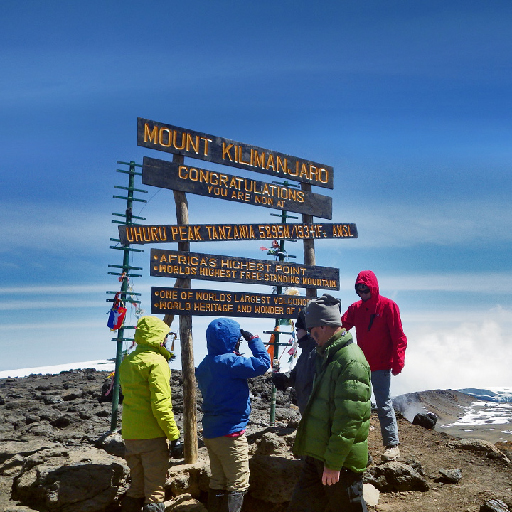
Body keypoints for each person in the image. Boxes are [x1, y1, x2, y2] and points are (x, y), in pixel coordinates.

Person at [288, 294, 372, 512]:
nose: (312, 337)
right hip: (317, 454)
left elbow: (349, 420)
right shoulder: (327, 355)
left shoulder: (350, 361)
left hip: (340, 463)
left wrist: (334, 463)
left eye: (314, 331)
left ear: (325, 326)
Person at [195, 318, 271, 512]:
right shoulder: (231, 362)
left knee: (218, 480)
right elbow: (263, 363)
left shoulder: (204, 365)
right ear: (232, 339)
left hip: (211, 432)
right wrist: (253, 339)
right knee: (238, 482)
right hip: (231, 432)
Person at [341, 270, 408, 461]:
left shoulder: (388, 306)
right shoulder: (356, 308)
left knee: (383, 403)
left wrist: (398, 361)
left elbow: (399, 336)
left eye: (365, 290)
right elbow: (342, 326)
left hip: (381, 365)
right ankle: (357, 446)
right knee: (358, 405)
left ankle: (392, 445)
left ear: (373, 288)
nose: (362, 294)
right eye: (359, 291)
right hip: (361, 365)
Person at [119, 316, 180, 512]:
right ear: (158, 337)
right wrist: (174, 435)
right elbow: (161, 405)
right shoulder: (157, 362)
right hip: (152, 435)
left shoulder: (128, 361)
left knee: (136, 487)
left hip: (130, 433)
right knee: (154, 491)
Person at [271, 309, 316, 414]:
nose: (297, 333)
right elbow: (298, 375)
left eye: (298, 329)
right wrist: (284, 379)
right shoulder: (307, 352)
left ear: (308, 330)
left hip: (317, 414)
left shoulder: (316, 352)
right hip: (309, 413)